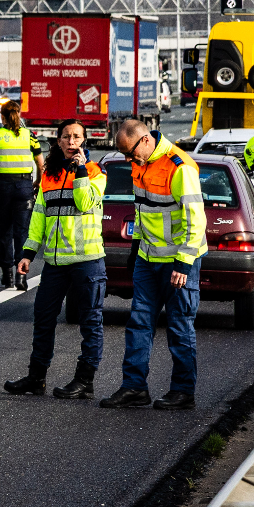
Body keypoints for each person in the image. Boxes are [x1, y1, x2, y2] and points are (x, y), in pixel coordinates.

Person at [102, 117, 206, 411]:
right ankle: (134, 388)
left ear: (145, 140)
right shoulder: (141, 162)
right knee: (138, 323)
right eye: (125, 155)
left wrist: (183, 265)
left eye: (131, 153)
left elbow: (196, 221)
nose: (128, 160)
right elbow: (142, 210)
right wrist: (136, 248)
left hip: (178, 261)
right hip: (148, 260)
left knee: (179, 326)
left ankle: (183, 392)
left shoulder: (179, 167)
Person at [3, 120, 107, 400]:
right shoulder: (49, 174)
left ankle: (85, 381)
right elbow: (39, 216)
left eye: (77, 137)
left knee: (90, 321)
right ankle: (36, 378)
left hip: (87, 260)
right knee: (44, 318)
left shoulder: (96, 171)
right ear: (58, 141)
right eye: (66, 136)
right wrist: (28, 253)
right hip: (55, 263)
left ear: (84, 141)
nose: (71, 141)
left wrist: (81, 169)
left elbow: (85, 203)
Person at [0, 101, 40, 288]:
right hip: (24, 187)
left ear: (2, 116)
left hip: (2, 188)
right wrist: (37, 181)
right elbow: (40, 162)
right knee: (21, 233)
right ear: (19, 115)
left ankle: (7, 275)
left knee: (5, 233)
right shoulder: (29, 135)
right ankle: (21, 276)